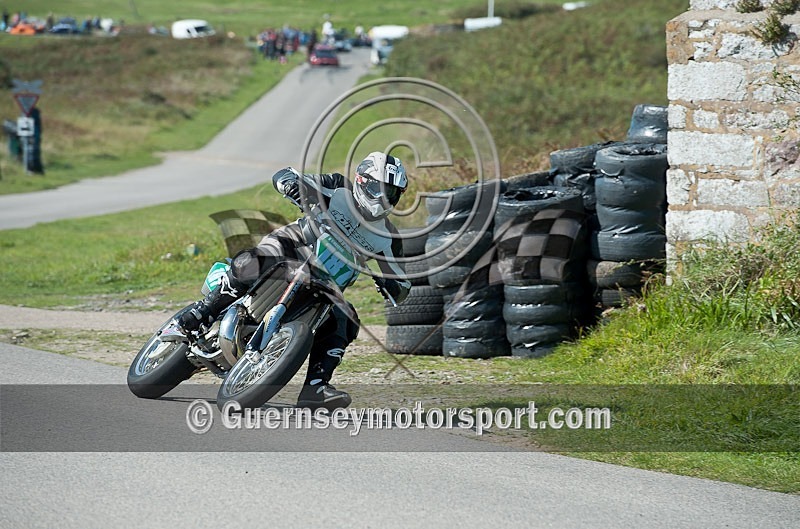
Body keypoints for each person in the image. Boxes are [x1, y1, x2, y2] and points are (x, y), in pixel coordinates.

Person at [176, 152, 411, 410]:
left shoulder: (388, 237)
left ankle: (316, 388)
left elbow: (402, 282)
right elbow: (287, 176)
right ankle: (204, 312)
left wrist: (393, 286)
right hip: (293, 247)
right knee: (251, 262)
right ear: (361, 179)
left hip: (329, 283)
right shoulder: (337, 187)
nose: (383, 197)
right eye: (379, 188)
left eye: (392, 192)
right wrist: (290, 184)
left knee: (346, 319)